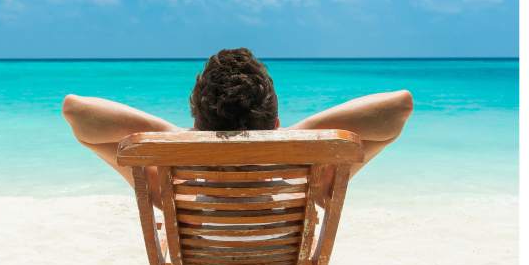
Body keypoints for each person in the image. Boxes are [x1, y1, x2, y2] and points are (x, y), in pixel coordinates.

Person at [62, 48, 413, 210]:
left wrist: (179, 136)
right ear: (275, 123)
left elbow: (76, 112)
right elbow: (400, 106)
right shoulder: (310, 180)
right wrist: (294, 134)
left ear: (197, 123)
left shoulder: (167, 183)